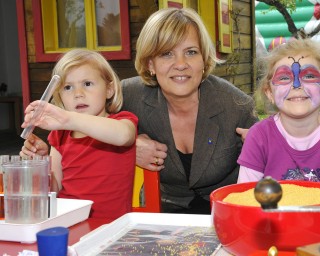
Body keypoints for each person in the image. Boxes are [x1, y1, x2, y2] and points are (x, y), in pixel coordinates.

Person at [21, 8, 258, 214]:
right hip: (160, 212)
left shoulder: (236, 107)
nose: (181, 64)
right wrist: (130, 146)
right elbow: (94, 126)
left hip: (225, 210)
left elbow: (270, 167)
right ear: (150, 64)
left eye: (191, 52)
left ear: (204, 60)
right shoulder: (128, 95)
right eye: (167, 53)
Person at [21, 49, 138, 220]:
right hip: (67, 222)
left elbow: (123, 136)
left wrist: (68, 119)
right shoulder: (60, 136)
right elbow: (53, 188)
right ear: (60, 96)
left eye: (87, 84)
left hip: (109, 227)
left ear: (109, 89)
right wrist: (40, 165)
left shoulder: (122, 121)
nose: (78, 94)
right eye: (68, 87)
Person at [237, 39, 320, 192]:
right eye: (283, 77)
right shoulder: (259, 136)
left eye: (308, 76)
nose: (297, 85)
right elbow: (244, 199)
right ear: (269, 93)